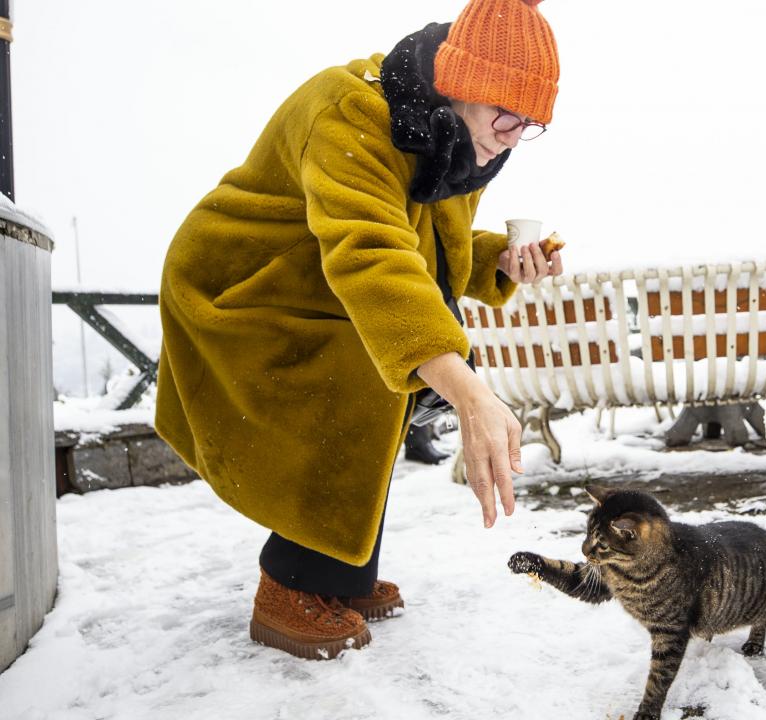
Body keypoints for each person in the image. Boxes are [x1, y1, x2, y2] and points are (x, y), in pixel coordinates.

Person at [155, 0, 563, 660]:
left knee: (381, 357)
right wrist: (469, 391)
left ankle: (341, 576)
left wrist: (497, 261)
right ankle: (289, 588)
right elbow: (372, 253)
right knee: (359, 364)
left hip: (318, 283)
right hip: (242, 288)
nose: (515, 135)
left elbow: (419, 244)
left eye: (532, 124)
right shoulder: (352, 110)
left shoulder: (459, 139)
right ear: (464, 83)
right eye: (508, 114)